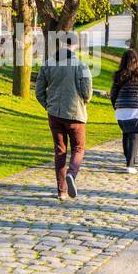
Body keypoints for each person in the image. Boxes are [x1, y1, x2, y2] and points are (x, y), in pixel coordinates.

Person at [35, 38, 94, 200]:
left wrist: (48, 105)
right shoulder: (81, 65)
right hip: (75, 114)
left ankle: (62, 191)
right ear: (74, 46)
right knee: (78, 148)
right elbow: (87, 92)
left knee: (60, 151)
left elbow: (39, 90)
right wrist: (84, 101)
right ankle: (71, 174)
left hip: (54, 113)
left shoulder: (48, 64)